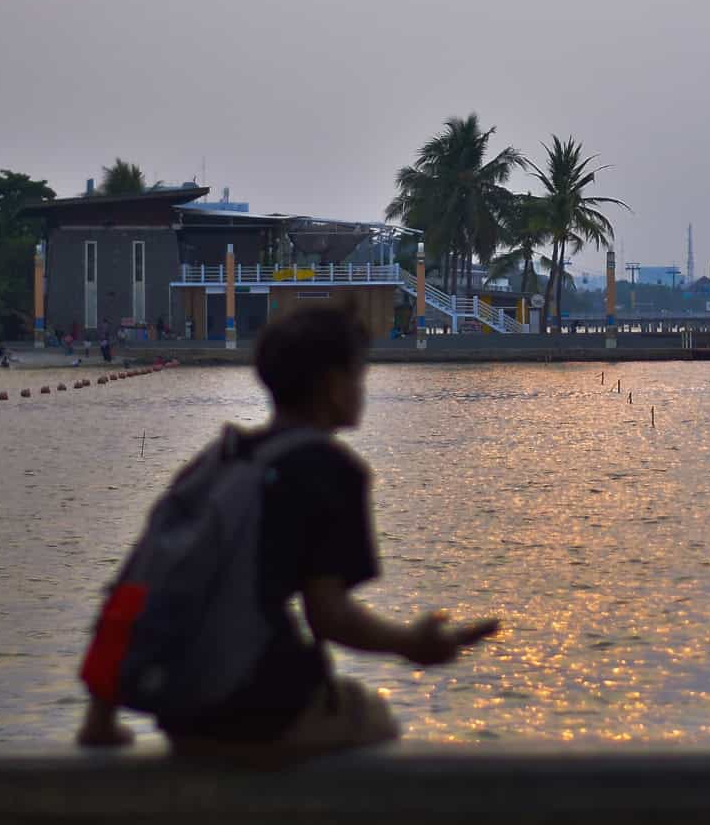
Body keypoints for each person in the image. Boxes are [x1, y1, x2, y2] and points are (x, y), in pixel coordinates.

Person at [77, 306, 499, 760]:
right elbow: (329, 616)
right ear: (333, 384)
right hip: (256, 708)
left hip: (181, 715)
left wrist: (100, 720)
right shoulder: (330, 469)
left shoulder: (219, 459)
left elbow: (137, 583)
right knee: (372, 716)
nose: (362, 390)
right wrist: (411, 644)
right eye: (359, 376)